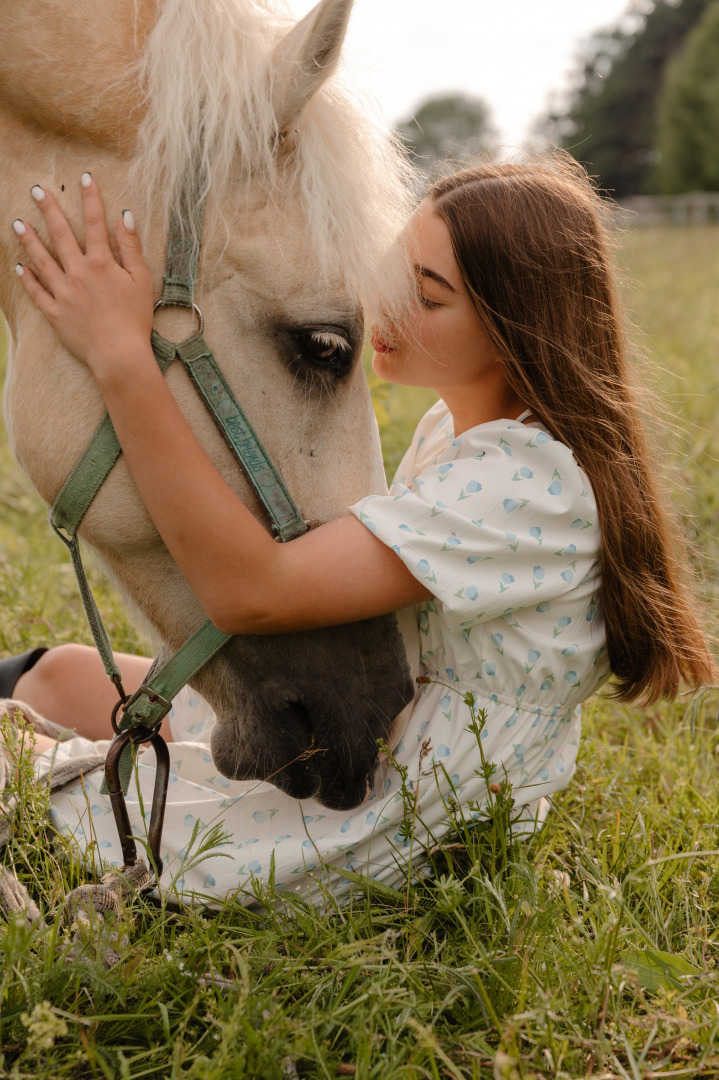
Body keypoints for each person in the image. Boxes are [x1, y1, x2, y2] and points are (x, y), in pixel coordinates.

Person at [4, 157, 715, 902]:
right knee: (58, 676)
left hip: (392, 817)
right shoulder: (463, 433)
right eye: (391, 274)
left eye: (428, 298)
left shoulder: (524, 481)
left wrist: (123, 359)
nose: (385, 305)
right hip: (381, 737)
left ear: (515, 329)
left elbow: (253, 592)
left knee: (30, 778)